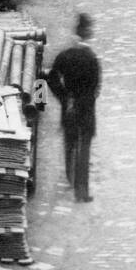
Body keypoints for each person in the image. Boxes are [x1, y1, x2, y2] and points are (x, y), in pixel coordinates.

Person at [46, 13, 101, 202]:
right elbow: (96, 88)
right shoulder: (92, 59)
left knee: (70, 144)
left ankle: (70, 176)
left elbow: (47, 77)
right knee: (84, 148)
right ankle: (81, 191)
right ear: (88, 34)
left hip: (68, 107)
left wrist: (61, 96)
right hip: (85, 109)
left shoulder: (64, 56)